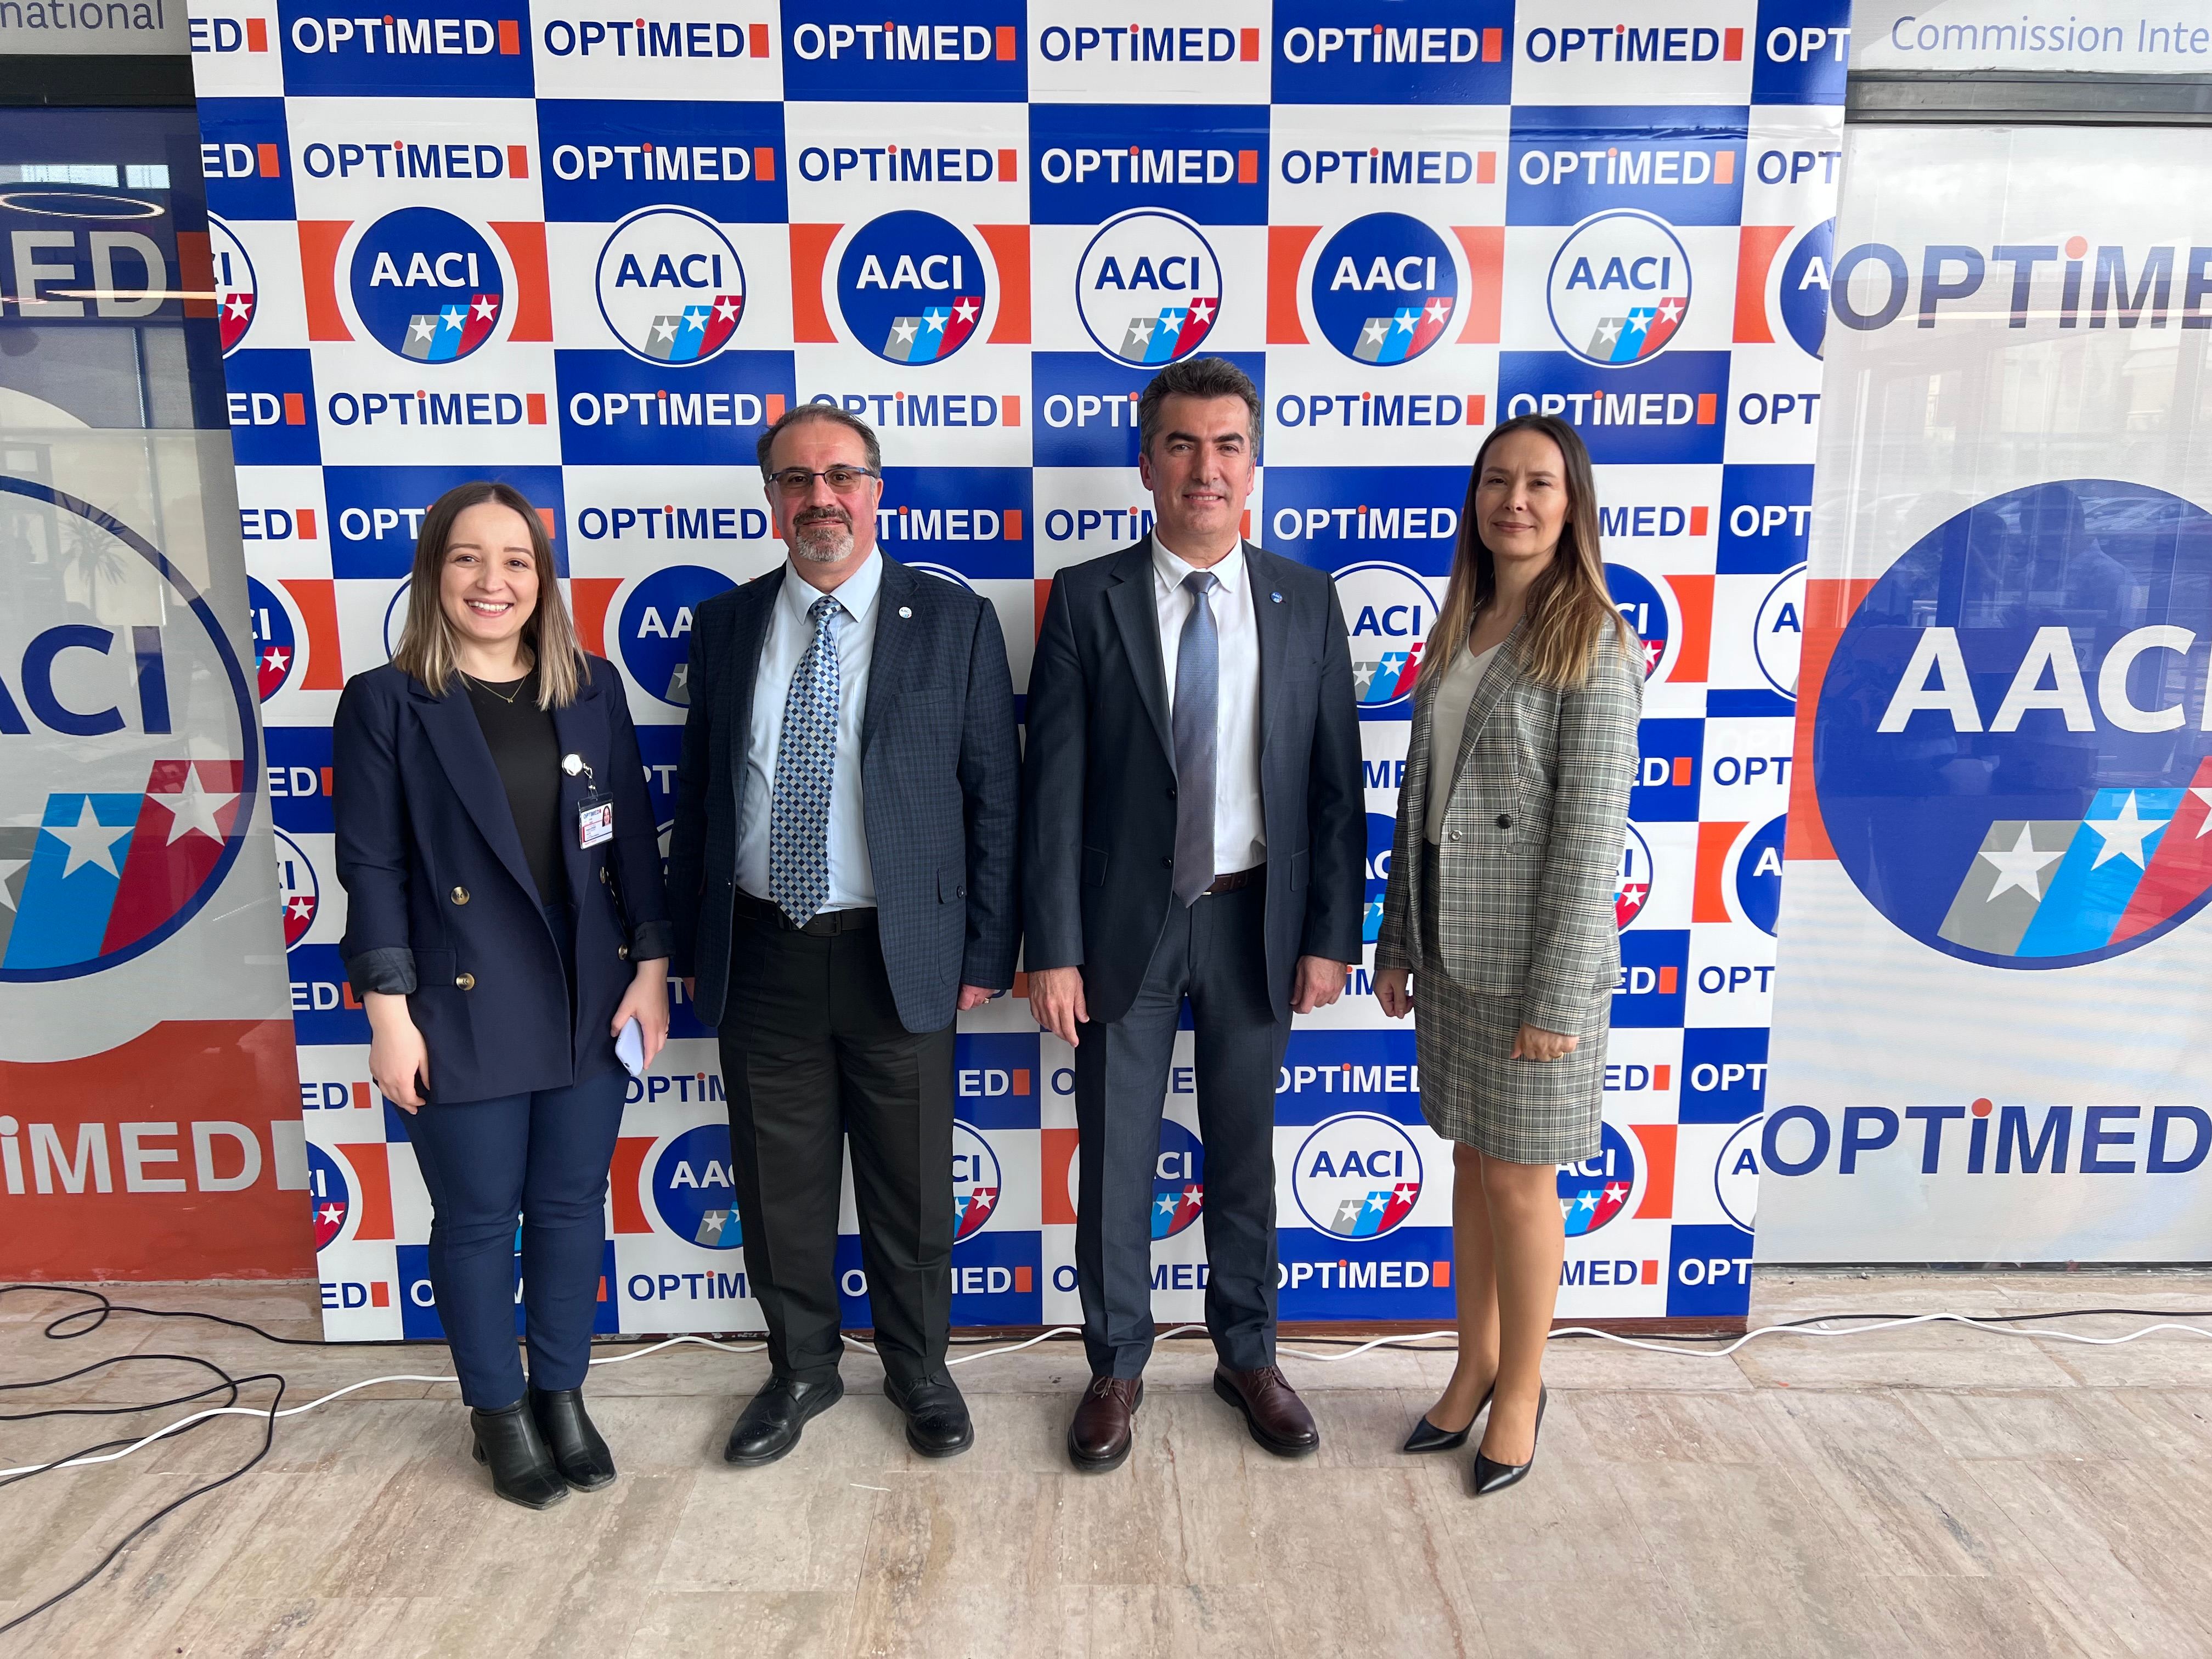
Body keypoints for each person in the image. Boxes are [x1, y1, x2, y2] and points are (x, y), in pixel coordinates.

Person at [1022, 356, 1364, 1473]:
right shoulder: (1086, 597)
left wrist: (1331, 936)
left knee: (1245, 1158)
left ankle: (1248, 1355)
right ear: (1147, 464)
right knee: (1116, 1159)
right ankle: (1116, 1365)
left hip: (1255, 922)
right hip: (1123, 929)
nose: (1205, 467)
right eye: (1182, 444)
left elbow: (1336, 786)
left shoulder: (1305, 600)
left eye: (1227, 446)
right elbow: (1052, 793)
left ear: (1253, 468)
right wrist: (1052, 950)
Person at [668, 405, 1019, 1466]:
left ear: (876, 491)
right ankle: (802, 1370)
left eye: (840, 477)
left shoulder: (952, 621)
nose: (819, 498)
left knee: (911, 1186)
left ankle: (920, 1370)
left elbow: (994, 799)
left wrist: (985, 953)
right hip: (761, 948)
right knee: (778, 1187)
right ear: (771, 498)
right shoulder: (726, 625)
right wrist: (685, 943)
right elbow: (701, 794)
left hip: (899, 952)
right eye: (796, 480)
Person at [333, 481, 672, 1510]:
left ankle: (561, 1395)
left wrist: (650, 971)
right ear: (435, 573)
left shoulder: (592, 687)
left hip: (588, 992)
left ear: (542, 578)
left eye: (516, 560)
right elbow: (373, 868)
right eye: (468, 558)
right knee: (479, 1220)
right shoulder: (388, 701)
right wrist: (389, 1016)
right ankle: (497, 1412)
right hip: (459, 999)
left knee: (570, 1206)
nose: (494, 581)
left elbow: (633, 843)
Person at [1373, 414, 1641, 1497]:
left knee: (1524, 1184)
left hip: (1535, 971)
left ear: (1572, 507)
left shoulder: (1594, 641)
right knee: (1472, 1168)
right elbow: (1420, 807)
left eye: (1538, 484)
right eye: (1496, 482)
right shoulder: (1463, 624)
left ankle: (1522, 1389)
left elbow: (1591, 837)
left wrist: (1559, 995)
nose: (1514, 502)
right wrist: (1398, 940)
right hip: (1453, 954)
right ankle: (1473, 1363)